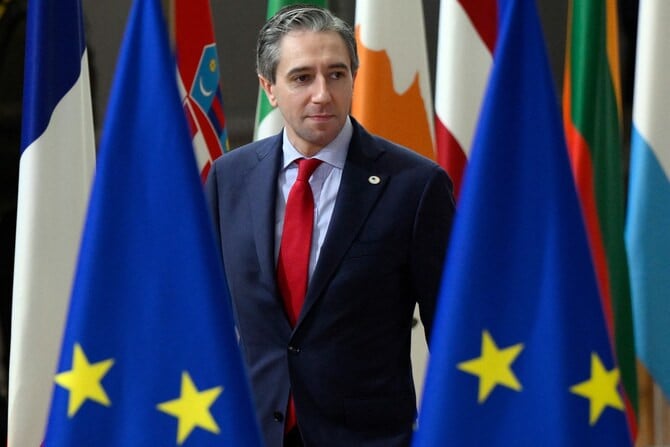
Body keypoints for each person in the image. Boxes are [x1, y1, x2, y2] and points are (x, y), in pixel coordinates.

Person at [205, 5, 455, 447]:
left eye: (336, 74)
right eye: (302, 78)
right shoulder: (229, 180)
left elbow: (452, 333)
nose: (322, 94)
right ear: (270, 88)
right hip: (253, 431)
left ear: (354, 78)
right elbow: (200, 317)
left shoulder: (414, 186)